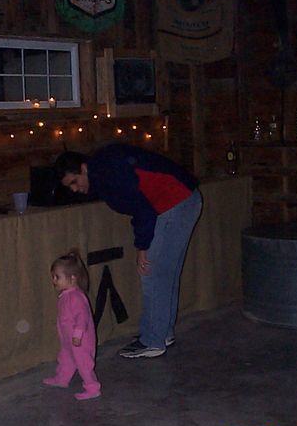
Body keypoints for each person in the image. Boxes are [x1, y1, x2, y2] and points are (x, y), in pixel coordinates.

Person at [55, 143, 203, 359]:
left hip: (175, 201)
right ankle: (162, 333)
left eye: (74, 182)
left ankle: (153, 340)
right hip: (182, 199)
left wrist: (143, 247)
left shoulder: (109, 171)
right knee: (165, 273)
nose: (75, 189)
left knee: (151, 273)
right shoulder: (102, 173)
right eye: (70, 186)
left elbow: (142, 209)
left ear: (84, 168)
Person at [43, 251, 101, 400]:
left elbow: (82, 318)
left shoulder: (76, 297)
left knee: (83, 363)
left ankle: (92, 388)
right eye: (53, 276)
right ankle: (62, 378)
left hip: (80, 341)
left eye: (57, 277)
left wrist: (77, 335)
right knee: (65, 358)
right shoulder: (66, 295)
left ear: (73, 278)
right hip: (68, 339)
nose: (54, 280)